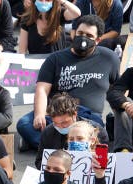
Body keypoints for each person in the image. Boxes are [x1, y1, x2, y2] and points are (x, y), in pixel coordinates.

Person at [17, 15, 119, 150]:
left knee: (97, 132)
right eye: (80, 33)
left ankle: (51, 144)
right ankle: (66, 145)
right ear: (73, 33)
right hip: (55, 113)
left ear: (98, 40)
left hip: (88, 116)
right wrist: (40, 114)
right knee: (24, 124)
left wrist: (119, 114)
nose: (83, 38)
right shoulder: (55, 59)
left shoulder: (109, 58)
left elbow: (117, 88)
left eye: (89, 35)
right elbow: (42, 89)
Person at [35, 93, 109, 169]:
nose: (60, 126)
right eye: (56, 123)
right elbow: (39, 162)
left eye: (64, 122)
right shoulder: (48, 132)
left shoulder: (97, 130)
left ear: (74, 114)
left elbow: (104, 162)